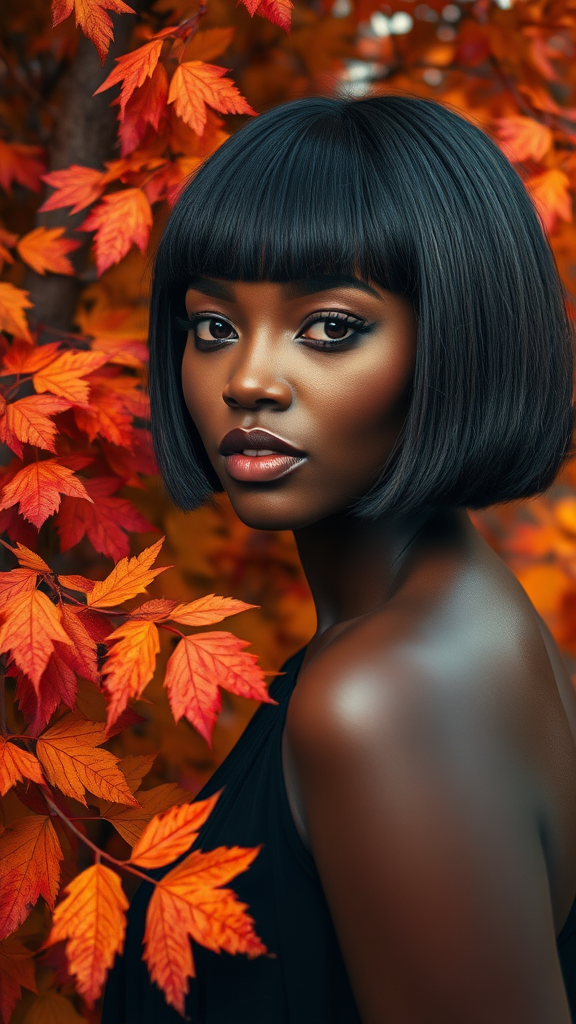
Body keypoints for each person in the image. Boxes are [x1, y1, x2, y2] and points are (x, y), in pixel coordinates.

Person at [102, 95, 576, 1023]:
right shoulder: (468, 625)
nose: (247, 379)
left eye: (330, 327)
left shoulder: (385, 696)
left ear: (459, 335)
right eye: (213, 326)